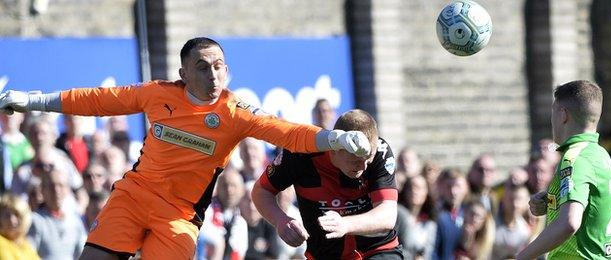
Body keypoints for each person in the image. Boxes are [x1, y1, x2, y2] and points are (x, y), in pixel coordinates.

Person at [0, 37, 370, 259]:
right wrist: (31, 100)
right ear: (183, 74)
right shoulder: (157, 94)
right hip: (134, 196)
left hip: (178, 216)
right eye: (203, 67)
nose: (213, 76)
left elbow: (286, 132)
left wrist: (333, 138)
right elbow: (97, 100)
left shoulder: (235, 112)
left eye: (219, 67)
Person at [252, 109, 401, 259]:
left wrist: (345, 224)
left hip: (378, 250)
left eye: (368, 158)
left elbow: (387, 215)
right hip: (324, 255)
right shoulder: (301, 153)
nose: (363, 167)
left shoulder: (381, 150)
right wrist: (280, 220)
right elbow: (261, 191)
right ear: (334, 149)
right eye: (355, 161)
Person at [517, 80, 611, 259]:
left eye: (553, 113)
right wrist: (553, 201)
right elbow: (592, 208)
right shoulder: (601, 155)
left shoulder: (574, 158)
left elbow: (570, 222)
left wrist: (523, 256)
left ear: (563, 115)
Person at [27, 166, 87, 259]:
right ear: (42, 190)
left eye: (61, 185)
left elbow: (83, 255)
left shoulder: (75, 221)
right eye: (51, 185)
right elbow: (28, 254)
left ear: (68, 190)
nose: (56, 190)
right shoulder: (34, 220)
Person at [0, 193, 40, 260]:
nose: (12, 220)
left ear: (24, 219)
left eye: (17, 215)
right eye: (6, 215)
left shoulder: (25, 244)